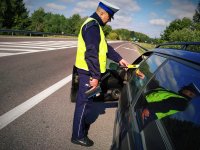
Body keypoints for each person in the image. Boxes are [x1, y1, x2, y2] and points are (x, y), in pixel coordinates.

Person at [71, 0, 129, 147]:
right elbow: (91, 54)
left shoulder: (96, 26)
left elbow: (105, 48)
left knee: (87, 103)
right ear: (102, 13)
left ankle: (80, 130)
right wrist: (95, 77)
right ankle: (77, 136)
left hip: (89, 72)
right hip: (88, 72)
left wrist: (119, 59)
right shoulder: (92, 27)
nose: (109, 20)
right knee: (83, 104)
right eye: (109, 17)